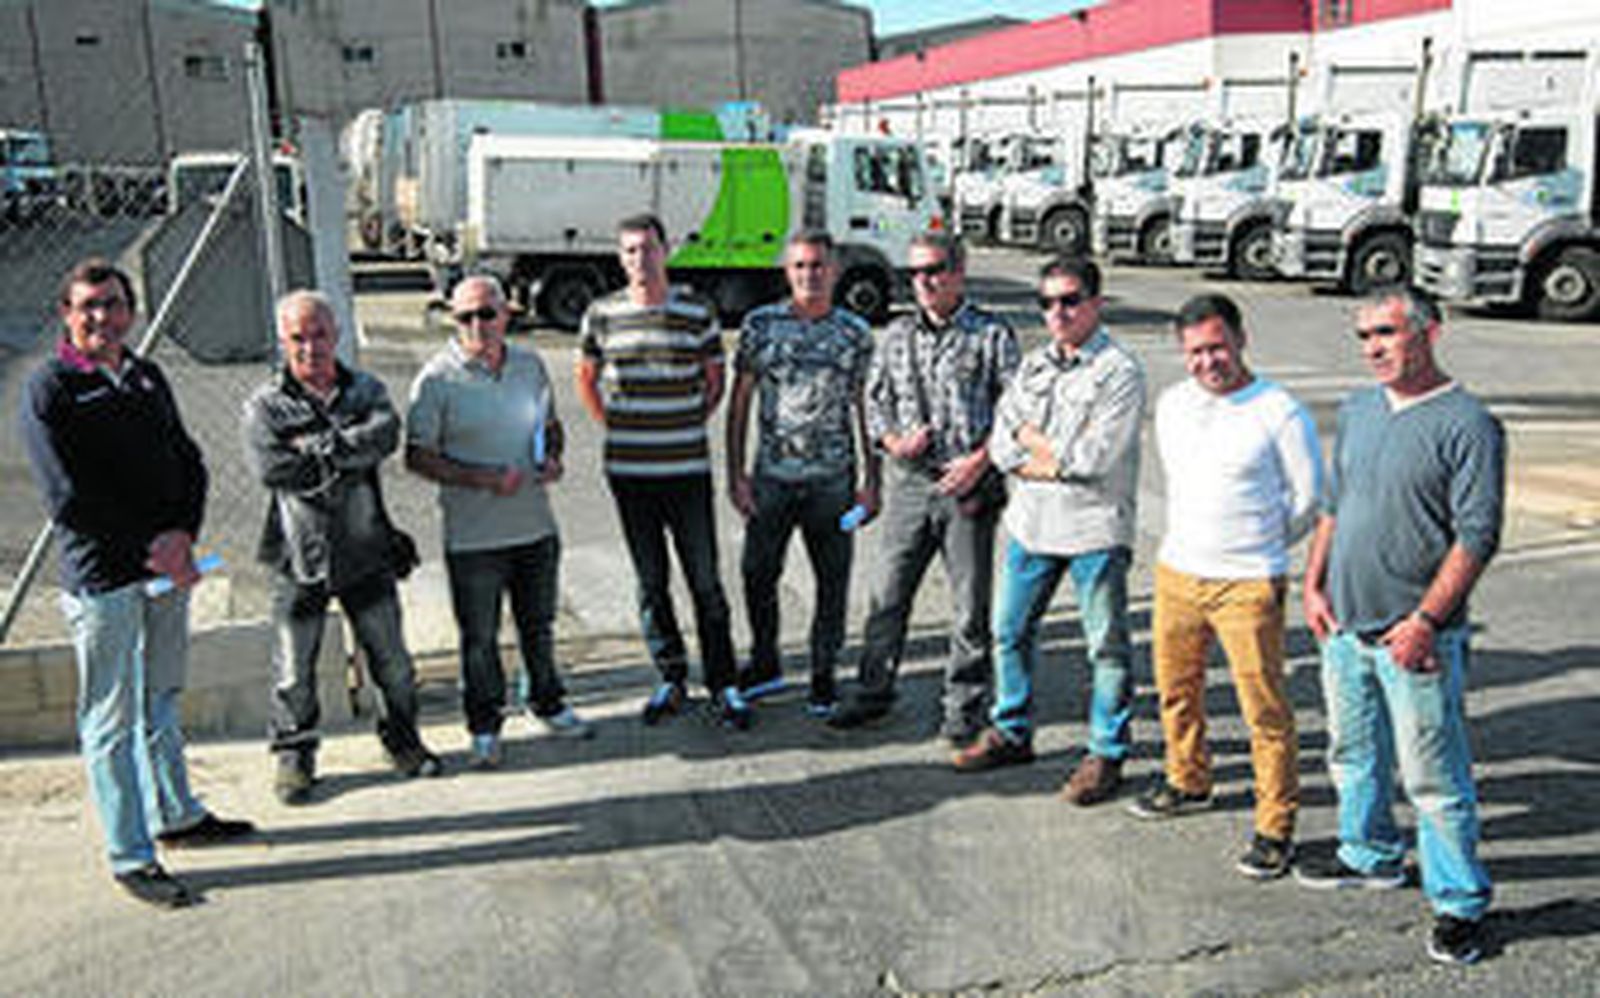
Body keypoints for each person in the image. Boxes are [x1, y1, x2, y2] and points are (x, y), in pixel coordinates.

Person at [21, 258, 254, 908]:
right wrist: (149, 546)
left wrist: (182, 535)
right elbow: (68, 496)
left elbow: (190, 463)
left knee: (161, 697)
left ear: (131, 312)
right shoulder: (52, 388)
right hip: (106, 582)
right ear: (67, 314)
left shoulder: (146, 376)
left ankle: (176, 815)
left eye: (114, 304)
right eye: (89, 305)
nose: (103, 316)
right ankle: (130, 853)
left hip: (166, 571)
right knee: (111, 717)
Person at [1297, 286, 1504, 966]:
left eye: (1385, 333)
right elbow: (1334, 504)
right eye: (1364, 337)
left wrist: (1425, 620)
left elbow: (1476, 536)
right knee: (1353, 755)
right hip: (1345, 627)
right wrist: (1313, 582)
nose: (1373, 349)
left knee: (1436, 779)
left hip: (1415, 636)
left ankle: (1460, 904)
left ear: (1428, 332)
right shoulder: (1359, 409)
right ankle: (1369, 855)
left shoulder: (1468, 423)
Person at [1126, 293, 1322, 879]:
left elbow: (1309, 499)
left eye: (1217, 346)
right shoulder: (1174, 404)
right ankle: (1188, 779)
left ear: (1241, 340)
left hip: (1248, 582)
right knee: (1175, 689)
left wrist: (1259, 547)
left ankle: (1275, 824)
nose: (1208, 361)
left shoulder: (1279, 411)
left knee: (1264, 709)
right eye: (1195, 351)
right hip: (1178, 572)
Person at [950, 256, 1144, 807]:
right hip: (1032, 525)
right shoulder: (1033, 365)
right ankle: (1012, 730)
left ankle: (1106, 752)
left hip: (1093, 531)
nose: (1057, 312)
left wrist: (1038, 454)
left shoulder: (1118, 372)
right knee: (1008, 632)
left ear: (1095, 303)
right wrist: (1037, 454)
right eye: (1047, 303)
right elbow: (1003, 438)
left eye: (1069, 300)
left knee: (1105, 646)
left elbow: (1096, 456)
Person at [243, 290, 441, 805]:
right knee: (294, 670)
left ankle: (402, 739)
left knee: (393, 662)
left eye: (320, 335)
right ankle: (295, 756)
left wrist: (317, 447)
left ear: (337, 335)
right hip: (298, 558)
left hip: (367, 552)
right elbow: (272, 468)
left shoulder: (366, 389)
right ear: (284, 342)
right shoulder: (265, 405)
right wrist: (345, 449)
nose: (310, 347)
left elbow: (386, 435)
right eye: (298, 338)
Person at [829, 231, 1019, 744]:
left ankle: (964, 706)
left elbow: (1017, 415)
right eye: (915, 273)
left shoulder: (992, 335)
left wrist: (979, 463)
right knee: (887, 595)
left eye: (934, 270)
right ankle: (873, 693)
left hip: (968, 487)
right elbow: (872, 403)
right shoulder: (894, 335)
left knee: (968, 606)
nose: (924, 281)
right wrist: (893, 440)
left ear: (959, 272)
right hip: (910, 484)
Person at [406, 275, 592, 770]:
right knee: (480, 639)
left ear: (506, 314)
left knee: (539, 626)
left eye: (486, 314)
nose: (477, 326)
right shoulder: (436, 379)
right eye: (465, 316)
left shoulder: (530, 366)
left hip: (534, 526)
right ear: (453, 319)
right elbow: (418, 457)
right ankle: (484, 726)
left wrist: (552, 457)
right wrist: (480, 478)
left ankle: (548, 703)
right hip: (474, 536)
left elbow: (550, 427)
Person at [575, 213, 749, 729]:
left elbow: (715, 380)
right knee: (651, 582)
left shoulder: (696, 309)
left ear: (666, 251)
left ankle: (723, 683)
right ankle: (671, 676)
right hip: (629, 473)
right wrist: (615, 424)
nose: (639, 259)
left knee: (705, 580)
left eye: (648, 248)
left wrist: (689, 420)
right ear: (620, 258)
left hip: (687, 469)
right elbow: (586, 378)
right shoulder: (601, 313)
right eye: (629, 251)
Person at [726, 231, 878, 718]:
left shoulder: (854, 332)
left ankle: (822, 671)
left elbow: (866, 410)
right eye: (800, 266)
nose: (809, 275)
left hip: (833, 482)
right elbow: (741, 400)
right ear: (787, 272)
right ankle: (766, 660)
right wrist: (736, 474)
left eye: (818, 266)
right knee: (756, 573)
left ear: (834, 271)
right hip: (771, 478)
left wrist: (872, 483)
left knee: (832, 581)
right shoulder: (760, 325)